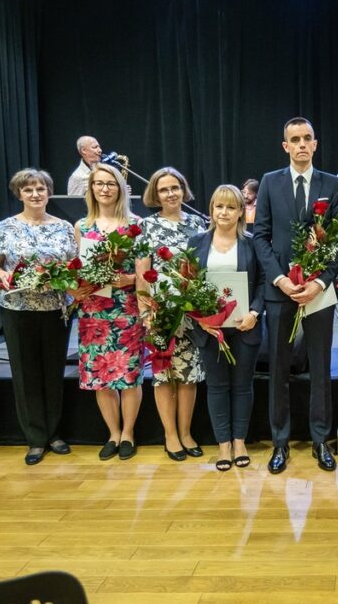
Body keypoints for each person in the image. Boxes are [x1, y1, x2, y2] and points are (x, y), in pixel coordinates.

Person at [252, 117, 338, 474]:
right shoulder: (270, 183)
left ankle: (320, 439)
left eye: (308, 138)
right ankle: (280, 442)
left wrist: (320, 282)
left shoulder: (332, 183)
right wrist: (278, 279)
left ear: (315, 144)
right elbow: (259, 235)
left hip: (317, 292)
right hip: (281, 292)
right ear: (285, 146)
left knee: (321, 368)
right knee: (278, 369)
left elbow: (337, 240)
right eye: (295, 139)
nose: (302, 144)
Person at [0, 169, 76, 465]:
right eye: (29, 190)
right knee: (26, 374)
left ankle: (54, 433)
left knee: (53, 371)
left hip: (55, 308)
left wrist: (64, 278)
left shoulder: (65, 227)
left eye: (40, 188)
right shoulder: (4, 227)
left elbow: (73, 267)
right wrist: (5, 276)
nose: (35, 194)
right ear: (19, 194)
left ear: (49, 192)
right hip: (17, 308)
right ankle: (35, 438)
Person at [188, 185, 264, 471]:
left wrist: (255, 312)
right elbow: (188, 286)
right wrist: (200, 318)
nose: (224, 212)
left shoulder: (252, 243)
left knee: (243, 386)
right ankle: (223, 446)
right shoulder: (196, 243)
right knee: (217, 386)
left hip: (245, 327)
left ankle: (240, 441)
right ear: (211, 210)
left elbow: (262, 283)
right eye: (219, 206)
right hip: (210, 331)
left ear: (240, 211)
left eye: (231, 207)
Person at [73, 164, 144, 461]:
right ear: (91, 189)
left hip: (126, 307)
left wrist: (129, 279)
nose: (104, 189)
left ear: (120, 188)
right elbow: (77, 269)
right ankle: (112, 433)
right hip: (94, 309)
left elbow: (146, 270)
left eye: (110, 183)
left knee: (129, 374)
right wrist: (76, 286)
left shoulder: (136, 223)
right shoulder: (81, 226)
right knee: (100, 374)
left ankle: (128, 433)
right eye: (98, 184)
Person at [136, 167, 206, 461]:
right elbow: (142, 274)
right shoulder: (145, 227)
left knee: (189, 375)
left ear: (183, 189)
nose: (170, 193)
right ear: (156, 194)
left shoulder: (199, 224)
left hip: (191, 312)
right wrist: (146, 313)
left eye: (175, 187)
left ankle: (187, 432)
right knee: (164, 376)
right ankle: (170, 435)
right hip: (160, 311)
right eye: (164, 189)